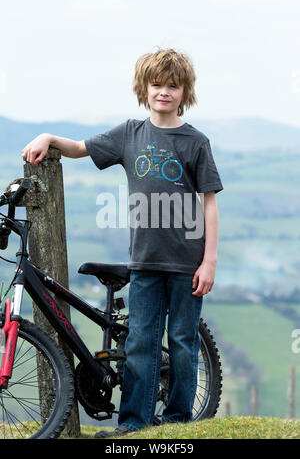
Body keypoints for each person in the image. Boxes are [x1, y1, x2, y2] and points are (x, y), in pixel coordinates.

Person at [22, 48, 223, 438]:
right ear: (144, 88)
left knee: (182, 343)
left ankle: (180, 423)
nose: (164, 91)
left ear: (185, 92)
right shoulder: (129, 133)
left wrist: (209, 261)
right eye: (157, 84)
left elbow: (210, 204)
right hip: (144, 263)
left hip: (187, 263)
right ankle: (133, 424)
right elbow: (80, 148)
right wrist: (47, 136)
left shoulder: (196, 142)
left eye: (173, 85)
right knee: (141, 344)